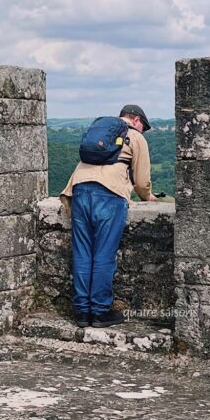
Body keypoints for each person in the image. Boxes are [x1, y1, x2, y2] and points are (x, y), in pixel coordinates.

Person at [60, 104, 156, 328]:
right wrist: (147, 196)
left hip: (79, 190)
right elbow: (142, 180)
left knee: (82, 253)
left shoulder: (100, 130)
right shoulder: (135, 136)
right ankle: (100, 311)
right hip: (109, 194)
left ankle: (82, 312)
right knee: (103, 254)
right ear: (136, 120)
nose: (142, 130)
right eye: (143, 126)